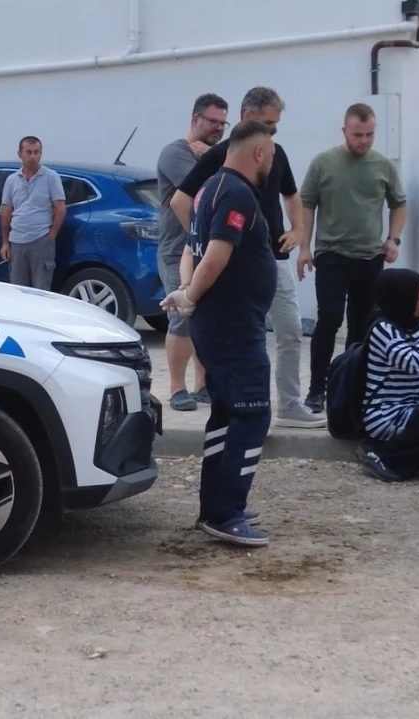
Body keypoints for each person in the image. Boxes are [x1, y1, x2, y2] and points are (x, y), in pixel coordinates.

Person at [171, 87, 325, 429]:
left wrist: (299, 231)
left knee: (289, 331)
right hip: (237, 267)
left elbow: (292, 194)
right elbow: (181, 200)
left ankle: (288, 404)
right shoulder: (222, 156)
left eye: (276, 127)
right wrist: (209, 240)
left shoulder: (276, 154)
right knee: (243, 338)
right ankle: (241, 411)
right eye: (268, 126)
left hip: (274, 259)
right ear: (248, 118)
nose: (272, 135)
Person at [160, 120, 278, 548]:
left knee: (227, 413)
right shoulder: (236, 193)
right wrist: (191, 294)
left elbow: (190, 250)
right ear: (258, 153)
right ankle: (226, 513)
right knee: (252, 413)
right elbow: (212, 258)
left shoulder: (208, 187)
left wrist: (187, 293)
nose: (272, 164)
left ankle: (215, 506)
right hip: (234, 328)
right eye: (271, 155)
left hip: (217, 324)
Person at [296, 103, 408, 413]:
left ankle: (351, 387)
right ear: (344, 131)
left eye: (370, 134)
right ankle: (316, 389)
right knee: (330, 318)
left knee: (362, 325)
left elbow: (399, 204)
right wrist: (304, 248)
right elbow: (307, 205)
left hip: (370, 257)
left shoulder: (383, 166)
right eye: (358, 135)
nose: (364, 141)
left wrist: (393, 238)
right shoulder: (323, 163)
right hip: (331, 254)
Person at [155, 93, 227, 411]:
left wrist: (212, 156)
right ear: (195, 119)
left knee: (206, 319)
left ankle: (202, 385)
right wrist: (213, 160)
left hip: (206, 249)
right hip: (177, 251)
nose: (219, 128)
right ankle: (176, 388)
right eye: (213, 122)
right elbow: (205, 189)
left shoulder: (211, 154)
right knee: (182, 317)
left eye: (223, 123)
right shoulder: (175, 153)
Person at [356, 269, 419, 483]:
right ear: (402, 297)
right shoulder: (382, 328)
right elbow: (414, 364)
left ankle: (418, 462)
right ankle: (385, 459)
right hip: (387, 413)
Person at [1, 136, 66, 290]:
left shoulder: (51, 177)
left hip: (40, 240)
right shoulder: (12, 180)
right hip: (16, 242)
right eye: (28, 152)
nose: (33, 156)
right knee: (18, 290)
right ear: (20, 154)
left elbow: (60, 208)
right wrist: (5, 242)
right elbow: (6, 211)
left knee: (41, 290)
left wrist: (51, 236)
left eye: (37, 152)